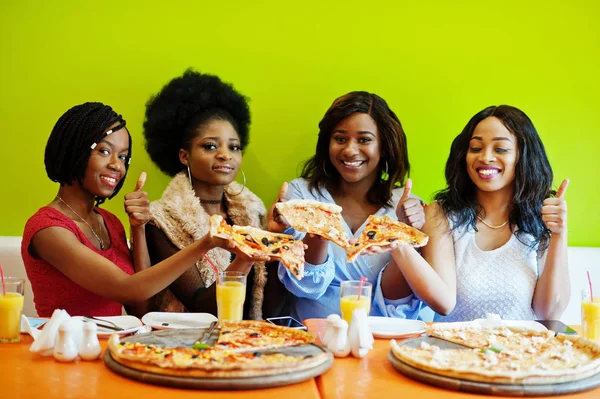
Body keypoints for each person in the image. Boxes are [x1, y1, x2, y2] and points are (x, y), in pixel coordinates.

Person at [21, 102, 257, 317]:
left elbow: (142, 308)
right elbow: (128, 290)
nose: (117, 165)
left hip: (112, 350)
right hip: (62, 352)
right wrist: (206, 243)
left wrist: (138, 229)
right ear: (74, 149)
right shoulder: (48, 229)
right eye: (104, 151)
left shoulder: (109, 222)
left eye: (123, 157)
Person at [268, 91, 452, 321]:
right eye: (340, 139)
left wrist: (403, 234)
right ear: (327, 142)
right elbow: (304, 286)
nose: (350, 150)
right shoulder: (302, 195)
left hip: (383, 341)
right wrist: (320, 230)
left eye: (364, 140)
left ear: (384, 146)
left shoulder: (406, 206)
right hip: (313, 341)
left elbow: (400, 305)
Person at [143, 69, 280, 319]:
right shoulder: (161, 219)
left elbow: (266, 298)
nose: (225, 155)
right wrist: (246, 254)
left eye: (234, 147)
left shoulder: (254, 210)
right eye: (210, 146)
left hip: (248, 343)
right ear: (184, 155)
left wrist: (277, 237)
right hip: (186, 345)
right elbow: (202, 307)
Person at [419, 105, 569, 321]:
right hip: (453, 352)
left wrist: (558, 234)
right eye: (475, 148)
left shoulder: (543, 214)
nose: (486, 157)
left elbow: (549, 313)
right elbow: (444, 304)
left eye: (500, 149)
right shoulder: (440, 215)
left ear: (523, 155)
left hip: (525, 351)